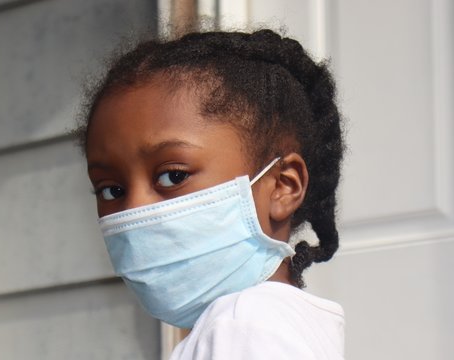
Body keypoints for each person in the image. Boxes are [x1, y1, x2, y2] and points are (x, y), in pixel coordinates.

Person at [74, 28, 345, 359]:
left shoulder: (243, 326)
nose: (133, 209)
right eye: (112, 189)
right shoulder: (269, 323)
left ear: (281, 186)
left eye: (173, 176)